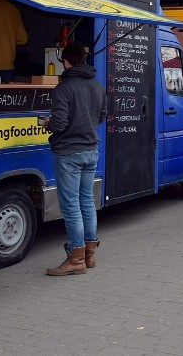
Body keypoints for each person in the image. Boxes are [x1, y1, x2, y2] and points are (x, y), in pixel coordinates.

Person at [43, 42, 107, 276]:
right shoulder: (97, 85)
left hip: (69, 152)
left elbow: (59, 122)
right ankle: (89, 255)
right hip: (91, 150)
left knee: (70, 206)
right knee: (87, 202)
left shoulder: (64, 88)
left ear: (65, 61)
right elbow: (101, 116)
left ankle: (75, 258)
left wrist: (49, 125)